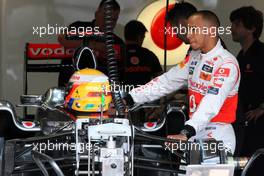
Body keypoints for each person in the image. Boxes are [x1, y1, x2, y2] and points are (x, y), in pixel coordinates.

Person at [124, 10, 240, 154]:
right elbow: (166, 82)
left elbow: (211, 102)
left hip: (216, 135)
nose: (188, 35)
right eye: (188, 29)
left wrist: (186, 132)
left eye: (193, 29)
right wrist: (129, 98)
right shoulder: (194, 57)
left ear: (210, 31)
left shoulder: (227, 64)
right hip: (193, 133)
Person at [58, 0, 124, 86]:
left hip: (101, 91)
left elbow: (120, 74)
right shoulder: (79, 27)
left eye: (113, 20)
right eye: (106, 18)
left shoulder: (117, 42)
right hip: (71, 86)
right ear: (97, 14)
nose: (109, 23)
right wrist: (93, 45)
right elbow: (62, 38)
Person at [230, 6, 264, 174]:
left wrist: (262, 108)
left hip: (258, 124)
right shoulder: (240, 56)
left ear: (251, 28)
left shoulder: (262, 53)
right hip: (242, 121)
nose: (232, 28)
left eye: (237, 24)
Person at [123, 20, 163, 87]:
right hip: (144, 95)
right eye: (143, 36)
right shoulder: (149, 55)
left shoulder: (116, 54)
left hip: (120, 95)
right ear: (140, 37)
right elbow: (160, 80)